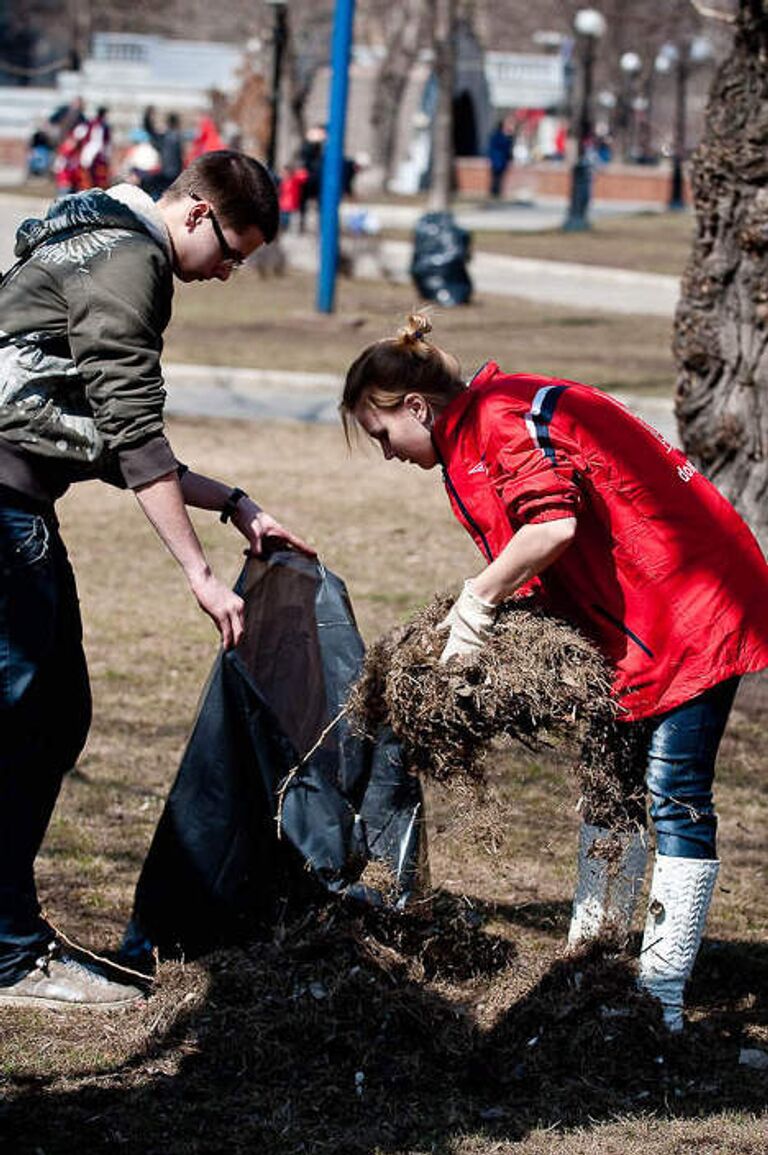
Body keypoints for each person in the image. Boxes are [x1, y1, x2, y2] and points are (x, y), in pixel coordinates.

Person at [340, 313, 768, 1033]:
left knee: (673, 792)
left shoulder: (504, 419)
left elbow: (551, 527)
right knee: (608, 780)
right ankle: (590, 961)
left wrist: (477, 601)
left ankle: (660, 990)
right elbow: (540, 553)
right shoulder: (472, 436)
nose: (386, 454)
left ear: (415, 406)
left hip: (693, 606)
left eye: (382, 435)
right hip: (632, 624)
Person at [0, 150, 313, 1010]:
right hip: (3, 510)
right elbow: (133, 429)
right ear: (199, 214)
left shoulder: (85, 236)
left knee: (50, 713)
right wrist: (203, 577)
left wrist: (232, 502)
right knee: (26, 717)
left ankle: (10, 940)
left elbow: (90, 430)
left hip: (15, 502)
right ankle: (10, 955)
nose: (229, 274)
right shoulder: (130, 261)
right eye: (234, 255)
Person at [487, 120, 513, 199]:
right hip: (499, 161)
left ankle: (495, 192)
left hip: (496, 161)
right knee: (497, 178)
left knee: (495, 178)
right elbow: (506, 149)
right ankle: (495, 192)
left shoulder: (494, 136)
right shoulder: (502, 137)